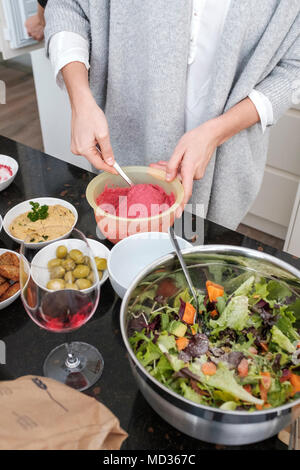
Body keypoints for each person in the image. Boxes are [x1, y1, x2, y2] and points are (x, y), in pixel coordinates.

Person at [44, 1, 300, 228]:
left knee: (199, 262)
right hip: (122, 156)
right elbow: (68, 8)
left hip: (223, 171)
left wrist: (216, 133)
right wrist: (80, 100)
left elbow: (292, 69)